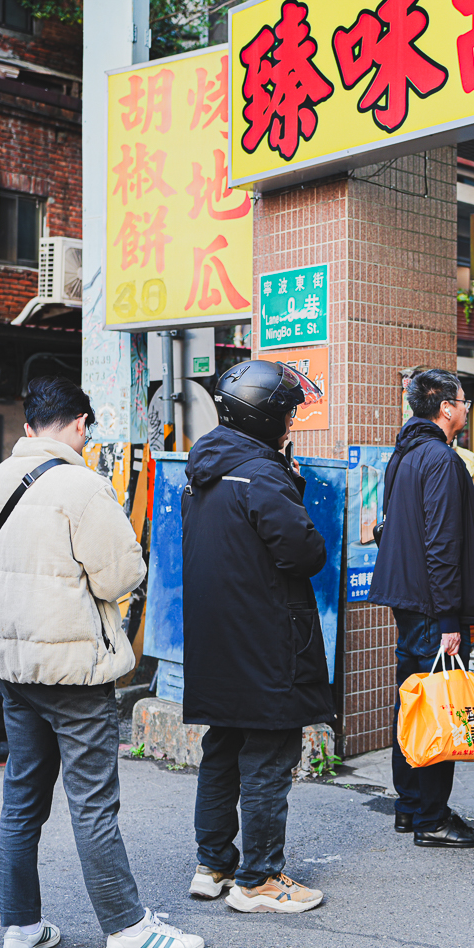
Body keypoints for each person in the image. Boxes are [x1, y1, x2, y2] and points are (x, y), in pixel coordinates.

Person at [0, 376, 202, 948]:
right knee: (92, 802)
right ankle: (125, 928)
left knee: (22, 798)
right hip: (74, 672)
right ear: (79, 426)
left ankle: (20, 927)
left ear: (27, 427)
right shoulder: (85, 489)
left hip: (12, 669)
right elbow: (121, 577)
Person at [183, 360, 331, 914]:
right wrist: (292, 485)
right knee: (269, 753)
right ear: (267, 416)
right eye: (288, 412)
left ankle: (213, 863)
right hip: (266, 637)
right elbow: (305, 552)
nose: (291, 421)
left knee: (222, 747)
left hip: (217, 638)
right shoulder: (264, 475)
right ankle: (259, 881)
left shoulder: (206, 469)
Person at [368, 367, 474, 849]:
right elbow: (442, 542)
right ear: (446, 407)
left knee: (412, 703)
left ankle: (410, 807)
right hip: (430, 603)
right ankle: (434, 819)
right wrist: (448, 619)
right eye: (462, 402)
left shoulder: (404, 453)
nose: (465, 409)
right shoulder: (440, 458)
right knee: (438, 708)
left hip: (408, 598)